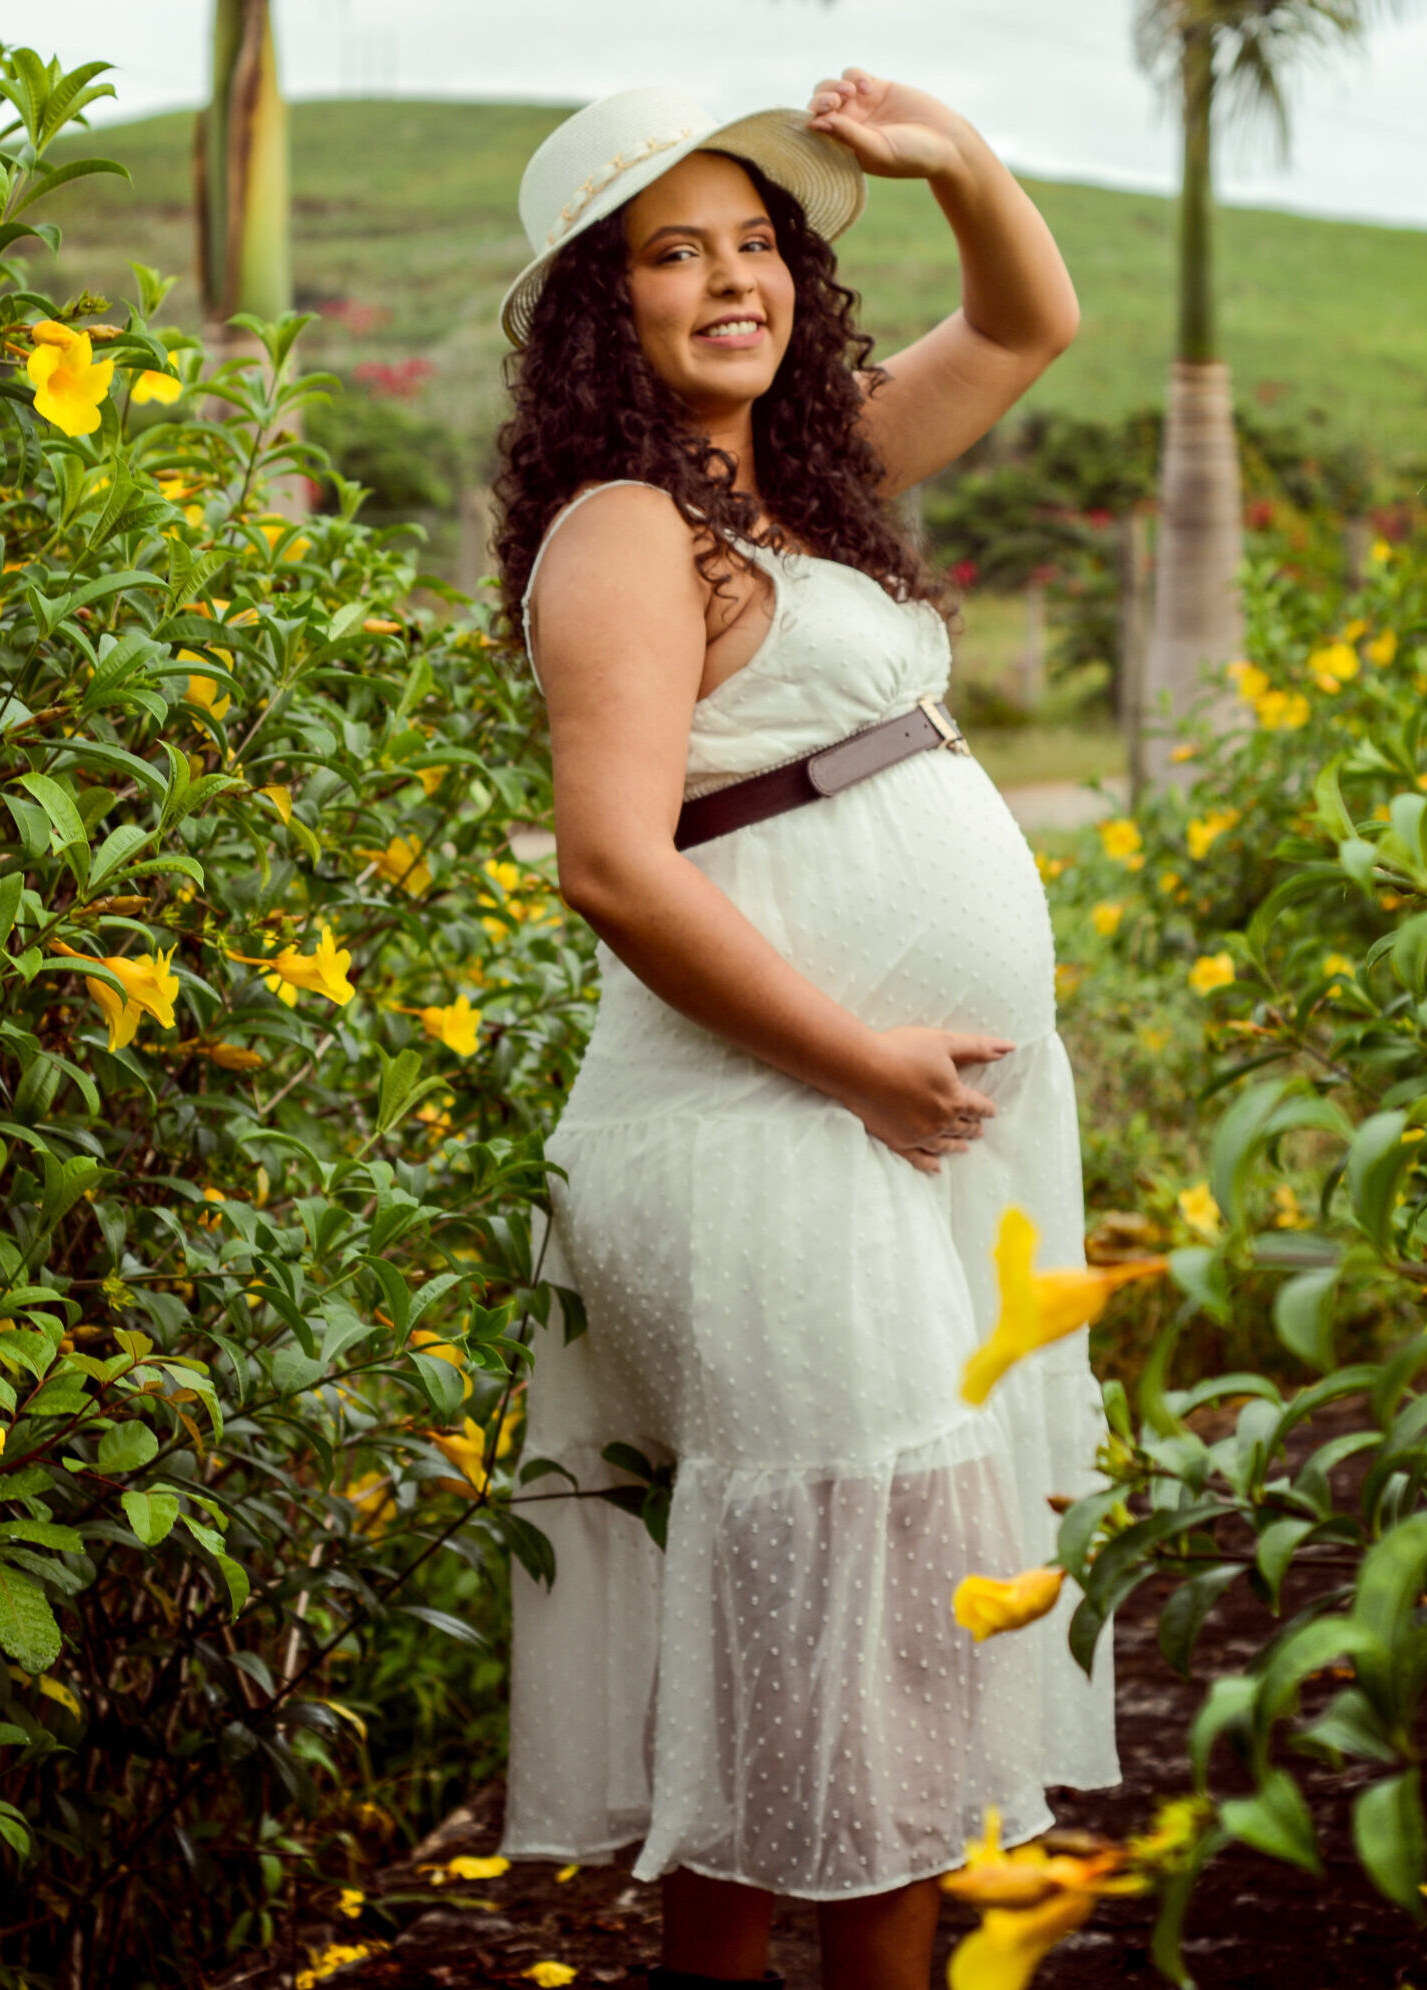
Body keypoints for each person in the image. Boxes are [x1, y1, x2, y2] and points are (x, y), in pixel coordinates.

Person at [490, 71, 1120, 1990]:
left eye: (755, 239)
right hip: (761, 1130)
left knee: (883, 1626)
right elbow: (613, 866)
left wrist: (955, 158)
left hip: (875, 1132)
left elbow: (1026, 323)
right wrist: (860, 1062)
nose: (733, 279)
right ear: (611, 307)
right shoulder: (622, 529)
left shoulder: (804, 479)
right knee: (834, 1623)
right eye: (677, 253)